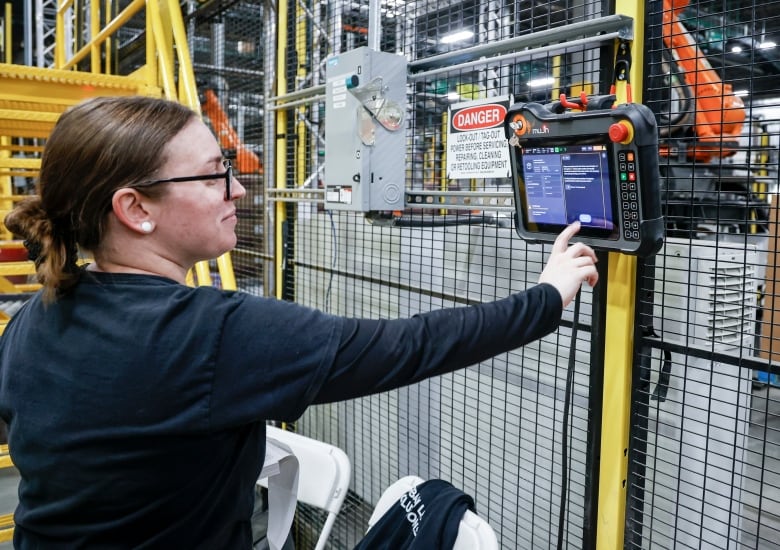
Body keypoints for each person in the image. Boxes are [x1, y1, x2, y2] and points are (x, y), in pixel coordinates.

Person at [0, 95, 598, 548]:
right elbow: (412, 346)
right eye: (212, 174)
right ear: (135, 209)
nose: (236, 187)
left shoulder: (32, 319)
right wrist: (548, 295)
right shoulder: (210, 334)